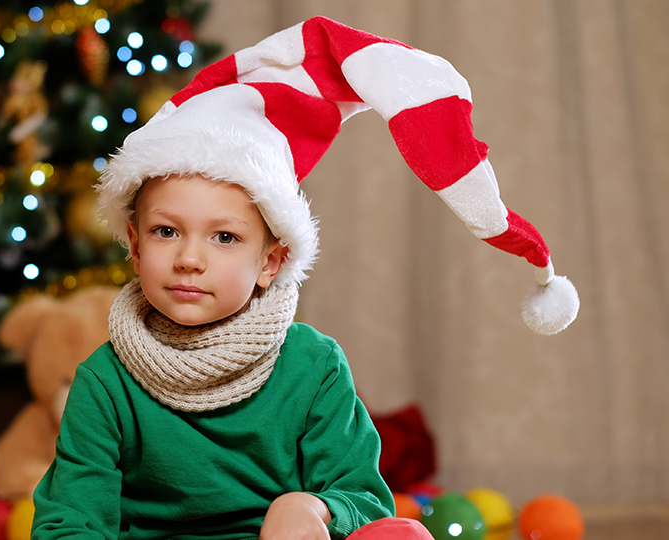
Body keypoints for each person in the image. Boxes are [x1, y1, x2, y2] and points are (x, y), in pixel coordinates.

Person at [31, 16, 579, 540]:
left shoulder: (312, 367)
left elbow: (364, 498)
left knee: (403, 532)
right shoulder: (104, 381)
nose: (189, 259)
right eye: (166, 232)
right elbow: (70, 521)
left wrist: (311, 504)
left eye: (224, 238)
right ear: (133, 243)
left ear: (271, 262)